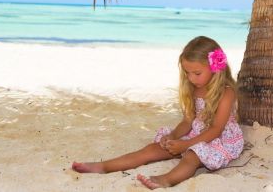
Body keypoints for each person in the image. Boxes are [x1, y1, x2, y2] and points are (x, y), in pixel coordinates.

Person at [71, 36, 244, 189]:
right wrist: (174, 136)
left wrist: (186, 145)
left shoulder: (225, 92)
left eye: (196, 73)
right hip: (196, 134)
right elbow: (188, 120)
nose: (191, 78)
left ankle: (166, 180)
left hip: (217, 140)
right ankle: (103, 167)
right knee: (151, 149)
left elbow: (216, 129)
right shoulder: (194, 87)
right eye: (187, 73)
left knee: (191, 156)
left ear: (215, 67)